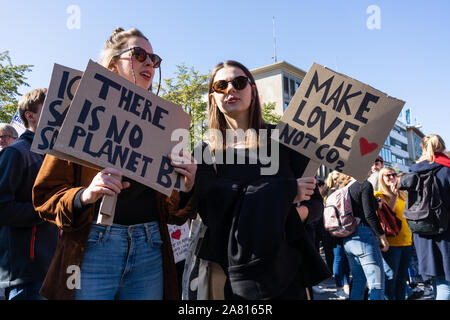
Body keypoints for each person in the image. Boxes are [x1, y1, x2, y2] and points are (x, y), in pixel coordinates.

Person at [32, 27, 197, 300]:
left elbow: (174, 213)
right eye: (139, 54)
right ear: (112, 63)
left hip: (151, 248)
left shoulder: (167, 125)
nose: (149, 63)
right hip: (94, 249)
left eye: (154, 59)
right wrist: (85, 195)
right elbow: (45, 196)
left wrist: (187, 185)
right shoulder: (80, 112)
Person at [185, 60, 330, 300]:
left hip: (288, 272)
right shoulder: (203, 152)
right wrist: (284, 192)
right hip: (231, 275)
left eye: (239, 82)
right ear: (213, 98)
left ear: (253, 91)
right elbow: (213, 209)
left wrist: (293, 215)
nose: (230, 89)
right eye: (221, 85)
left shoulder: (285, 141)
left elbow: (315, 203)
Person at [0, 88, 58, 300]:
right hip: (24, 275)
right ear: (30, 115)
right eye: (50, 107)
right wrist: (49, 210)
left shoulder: (54, 157)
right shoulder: (15, 153)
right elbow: (3, 208)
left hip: (52, 269)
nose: (58, 113)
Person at [407, 134, 450, 300]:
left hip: (422, 230)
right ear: (443, 146)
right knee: (446, 283)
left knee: (437, 281)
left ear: (423, 148)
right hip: (445, 232)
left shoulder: (414, 170)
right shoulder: (446, 169)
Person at [337, 173, 390, 300]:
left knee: (358, 283)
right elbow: (369, 215)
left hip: (349, 238)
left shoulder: (346, 187)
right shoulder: (365, 184)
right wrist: (383, 238)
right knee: (376, 285)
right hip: (364, 237)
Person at [375, 167, 413, 300]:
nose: (391, 177)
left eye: (393, 174)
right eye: (387, 175)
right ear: (382, 178)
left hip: (407, 240)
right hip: (391, 243)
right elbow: (387, 214)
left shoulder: (404, 194)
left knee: (402, 279)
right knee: (391, 278)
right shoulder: (379, 195)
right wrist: (394, 195)